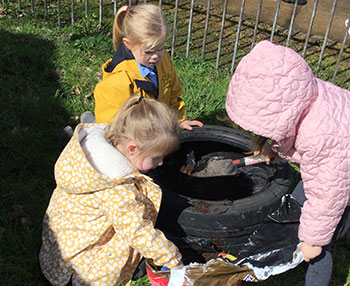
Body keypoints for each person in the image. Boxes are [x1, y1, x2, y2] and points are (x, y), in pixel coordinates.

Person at [225, 40, 350, 286]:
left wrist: (312, 239)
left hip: (340, 171)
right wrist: (276, 148)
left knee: (321, 240)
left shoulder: (321, 136)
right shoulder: (309, 97)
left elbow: (329, 193)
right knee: (306, 201)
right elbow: (292, 129)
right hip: (338, 162)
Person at [40, 95, 184, 286]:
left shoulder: (90, 152)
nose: (161, 163)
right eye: (156, 158)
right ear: (132, 149)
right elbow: (138, 231)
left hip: (61, 246)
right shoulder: (117, 189)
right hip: (82, 265)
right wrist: (172, 259)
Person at [93, 4, 203, 130]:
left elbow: (173, 95)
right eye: (149, 51)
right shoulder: (119, 79)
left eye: (160, 48)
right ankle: (86, 125)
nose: (156, 56)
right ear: (128, 44)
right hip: (130, 135)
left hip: (155, 130)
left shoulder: (164, 61)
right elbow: (112, 123)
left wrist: (178, 120)